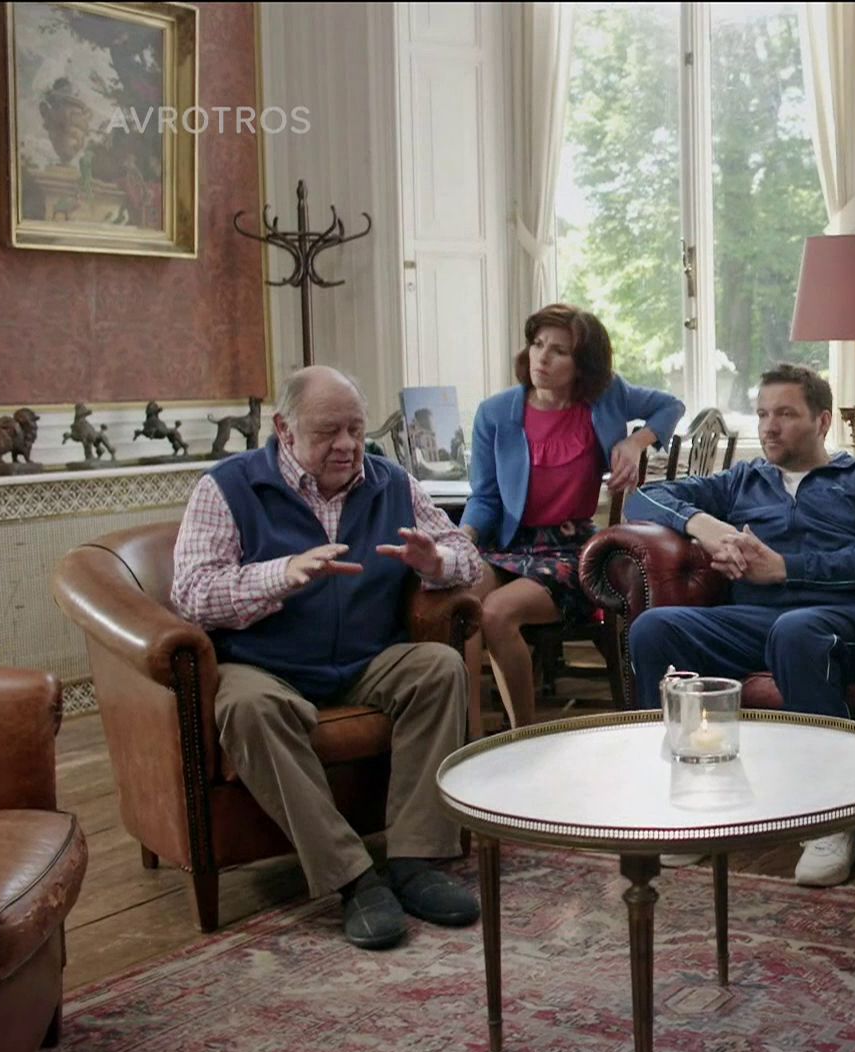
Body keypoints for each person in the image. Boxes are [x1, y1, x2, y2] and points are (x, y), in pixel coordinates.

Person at [170, 366, 485, 950]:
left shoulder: (392, 482)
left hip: (368, 658)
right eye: (327, 432)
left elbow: (468, 556)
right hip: (264, 664)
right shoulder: (227, 488)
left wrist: (437, 562)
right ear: (284, 429)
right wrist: (280, 575)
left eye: (355, 430)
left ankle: (414, 861)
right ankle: (354, 878)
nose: (346, 445)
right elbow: (191, 595)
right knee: (246, 709)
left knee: (439, 669)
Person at [624, 363, 855, 886]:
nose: (769, 427)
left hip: (840, 619)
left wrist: (786, 568)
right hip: (752, 620)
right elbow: (642, 497)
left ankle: (831, 816)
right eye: (762, 414)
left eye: (786, 414)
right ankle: (691, 802)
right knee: (655, 629)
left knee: (796, 631)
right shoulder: (743, 480)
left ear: (822, 421)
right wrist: (704, 525)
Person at [463, 304, 684, 728]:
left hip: (570, 549)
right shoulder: (495, 413)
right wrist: (465, 538)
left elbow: (670, 405)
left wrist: (635, 442)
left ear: (583, 365)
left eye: (559, 351)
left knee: (497, 613)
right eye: (537, 344)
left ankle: (524, 735)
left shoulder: (607, 398)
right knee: (462, 605)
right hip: (507, 544)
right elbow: (486, 497)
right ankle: (471, 738)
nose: (542, 358)